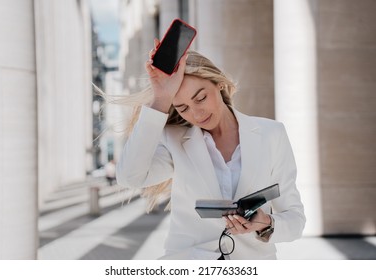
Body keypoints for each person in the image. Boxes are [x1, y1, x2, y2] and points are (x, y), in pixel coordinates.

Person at [115, 39, 306, 260]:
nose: (197, 114)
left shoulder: (272, 134)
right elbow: (129, 177)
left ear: (219, 84)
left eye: (201, 98)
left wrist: (266, 224)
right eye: (183, 108)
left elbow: (295, 220)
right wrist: (161, 99)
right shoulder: (174, 139)